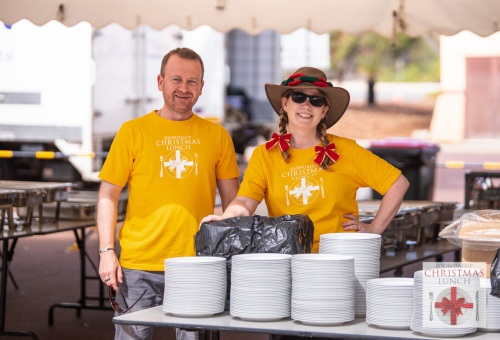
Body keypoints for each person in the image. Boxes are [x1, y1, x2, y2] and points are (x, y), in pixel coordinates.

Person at [97, 47, 240, 340]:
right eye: (176, 79)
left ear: (202, 87)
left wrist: (228, 260)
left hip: (197, 264)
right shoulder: (132, 132)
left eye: (192, 81)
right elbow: (108, 194)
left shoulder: (217, 136)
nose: (183, 88)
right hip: (138, 264)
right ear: (160, 82)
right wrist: (106, 251)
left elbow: (234, 205)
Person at [201, 67, 409, 252]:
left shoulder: (347, 150)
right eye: (299, 97)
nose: (307, 105)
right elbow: (245, 201)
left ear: (324, 110)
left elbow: (398, 183)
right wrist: (224, 219)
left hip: (339, 257)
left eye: (316, 100)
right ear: (285, 103)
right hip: (288, 258)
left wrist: (374, 228)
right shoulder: (265, 155)